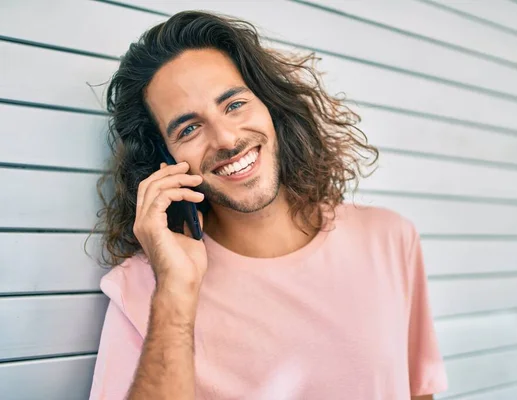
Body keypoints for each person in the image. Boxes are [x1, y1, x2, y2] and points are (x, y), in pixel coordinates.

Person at [88, 10, 447, 400]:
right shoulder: (142, 288)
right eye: (189, 128)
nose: (225, 138)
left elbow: (417, 391)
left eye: (234, 104)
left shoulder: (389, 239)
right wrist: (174, 292)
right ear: (164, 159)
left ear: (270, 105)